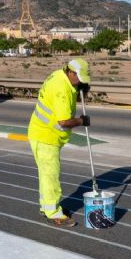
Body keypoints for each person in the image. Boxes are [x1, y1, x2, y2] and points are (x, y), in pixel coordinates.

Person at [28, 58, 91, 227]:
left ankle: (46, 206)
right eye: (79, 78)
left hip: (43, 134)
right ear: (70, 72)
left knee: (46, 175)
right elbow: (64, 121)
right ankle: (53, 212)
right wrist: (81, 121)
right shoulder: (60, 89)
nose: (80, 81)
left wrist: (79, 88)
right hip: (46, 137)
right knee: (51, 177)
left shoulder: (59, 75)